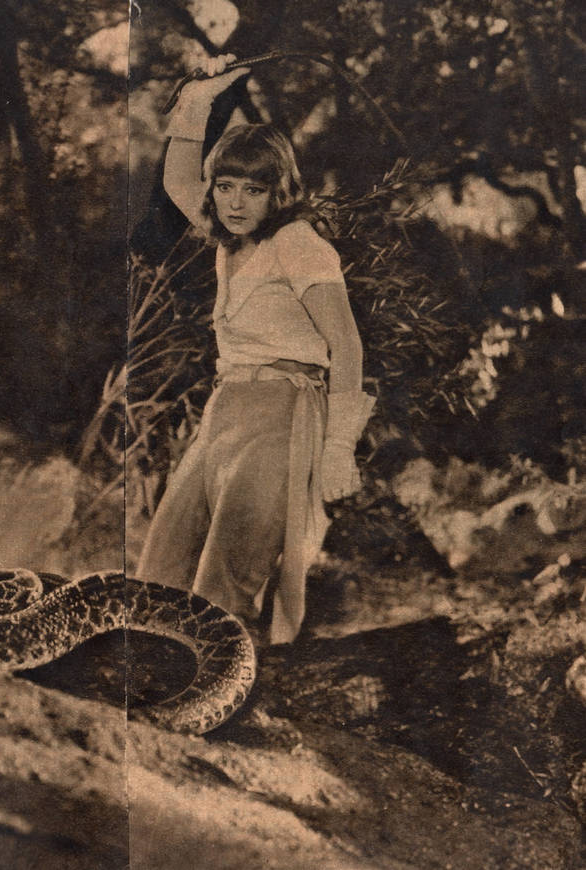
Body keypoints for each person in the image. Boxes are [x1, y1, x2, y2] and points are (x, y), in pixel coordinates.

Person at [136, 55, 375, 647]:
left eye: (254, 189)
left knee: (226, 584)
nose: (236, 202)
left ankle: (212, 707)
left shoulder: (297, 242)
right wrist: (200, 101)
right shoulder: (228, 233)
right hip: (226, 411)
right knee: (159, 568)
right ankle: (144, 693)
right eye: (225, 186)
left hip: (283, 412)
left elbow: (346, 343)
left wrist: (341, 447)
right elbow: (176, 181)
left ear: (279, 192)